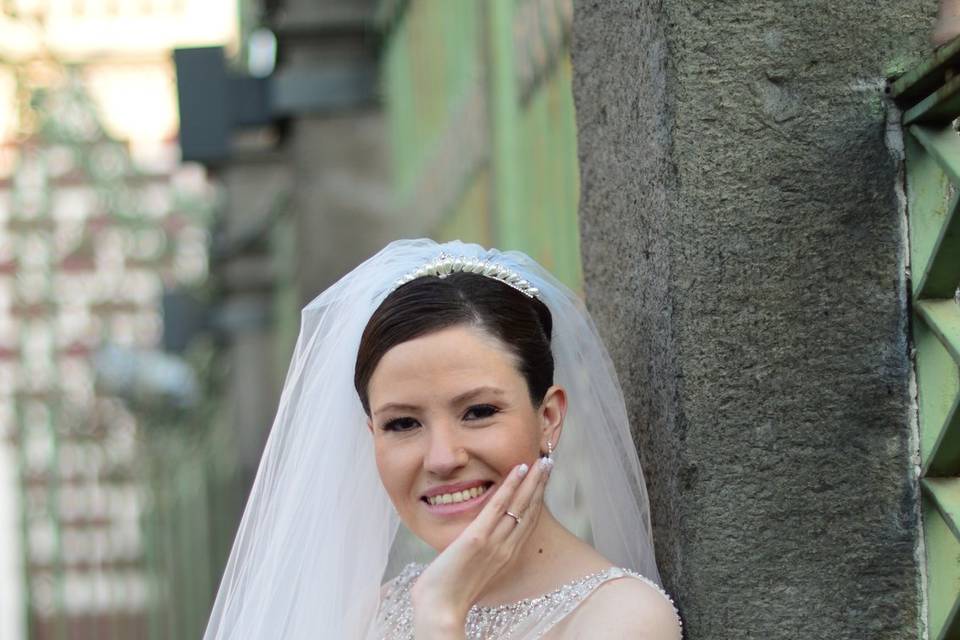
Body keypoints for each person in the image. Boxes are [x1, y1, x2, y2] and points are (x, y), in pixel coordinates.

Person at [203, 239, 682, 639]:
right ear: (372, 436)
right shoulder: (373, 617)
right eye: (403, 424)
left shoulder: (620, 620)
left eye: (478, 412)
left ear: (549, 417)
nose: (442, 458)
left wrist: (441, 618)